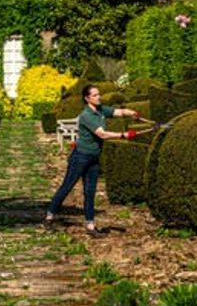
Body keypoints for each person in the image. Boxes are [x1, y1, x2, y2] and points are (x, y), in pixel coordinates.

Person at [43, 83, 139, 237]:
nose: (98, 97)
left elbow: (118, 111)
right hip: (80, 156)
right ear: (87, 98)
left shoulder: (100, 110)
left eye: (98, 94)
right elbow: (102, 135)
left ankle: (90, 226)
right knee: (67, 187)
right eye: (94, 95)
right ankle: (49, 217)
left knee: (90, 192)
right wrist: (123, 135)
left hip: (93, 157)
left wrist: (131, 112)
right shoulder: (86, 115)